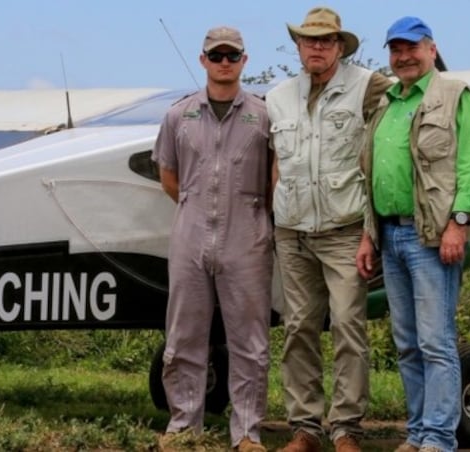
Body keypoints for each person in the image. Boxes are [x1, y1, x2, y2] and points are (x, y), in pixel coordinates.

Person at [356, 16, 470, 452]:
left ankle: (438, 437)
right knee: (407, 343)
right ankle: (416, 434)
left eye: (412, 47)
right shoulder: (386, 103)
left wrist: (458, 223)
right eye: (395, 50)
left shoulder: (455, 96)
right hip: (390, 235)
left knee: (436, 341)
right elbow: (371, 175)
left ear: (432, 50)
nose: (403, 56)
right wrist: (368, 235)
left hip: (432, 236)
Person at [265, 6, 392, 452]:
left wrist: (371, 230)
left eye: (326, 40)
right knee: (298, 326)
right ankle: (304, 427)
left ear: (340, 46)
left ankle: (346, 429)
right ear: (297, 46)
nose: (317, 47)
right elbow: (274, 162)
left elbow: (403, 118)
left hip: (345, 228)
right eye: (309, 39)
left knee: (347, 326)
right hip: (292, 231)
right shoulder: (276, 96)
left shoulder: (369, 86)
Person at [152, 25, 273, 452]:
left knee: (249, 340)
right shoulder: (177, 115)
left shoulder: (263, 115)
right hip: (191, 233)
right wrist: (195, 204)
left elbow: (274, 179)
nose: (224, 62)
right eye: (216, 55)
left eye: (232, 56)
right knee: (184, 333)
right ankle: (184, 426)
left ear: (244, 61)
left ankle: (247, 432)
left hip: (247, 236)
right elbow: (168, 174)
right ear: (203, 60)